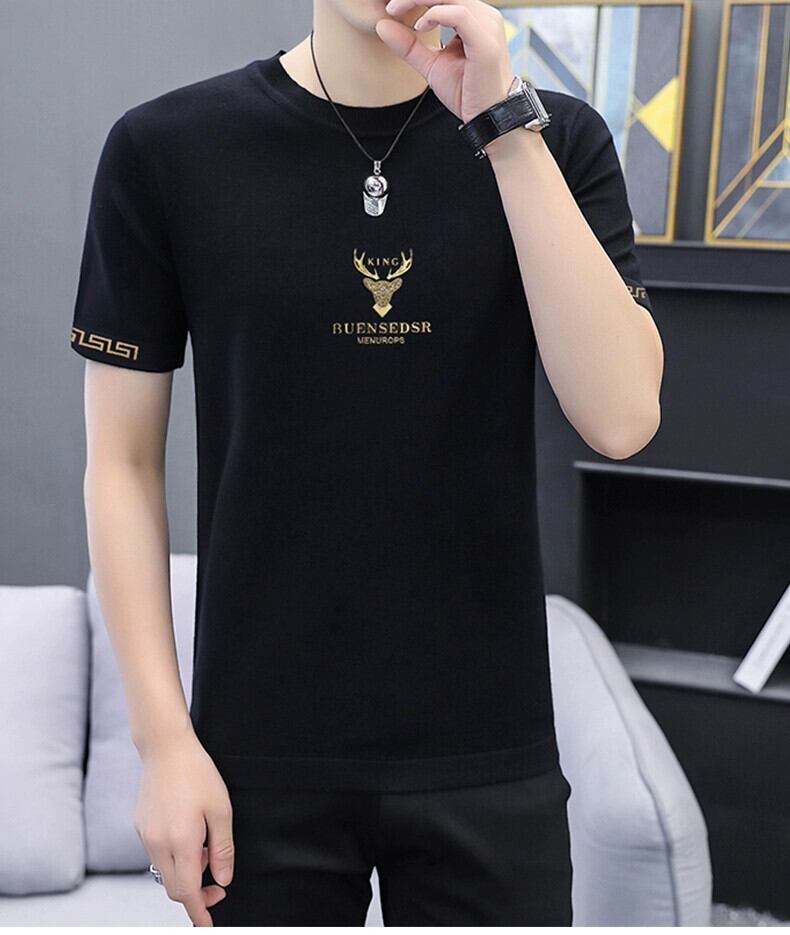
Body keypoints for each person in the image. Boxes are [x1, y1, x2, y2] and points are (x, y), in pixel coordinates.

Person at [69, 0, 664, 926]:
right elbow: (122, 464)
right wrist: (162, 742)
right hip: (257, 755)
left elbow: (621, 418)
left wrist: (503, 127)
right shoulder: (167, 149)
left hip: (489, 745)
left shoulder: (556, 140)